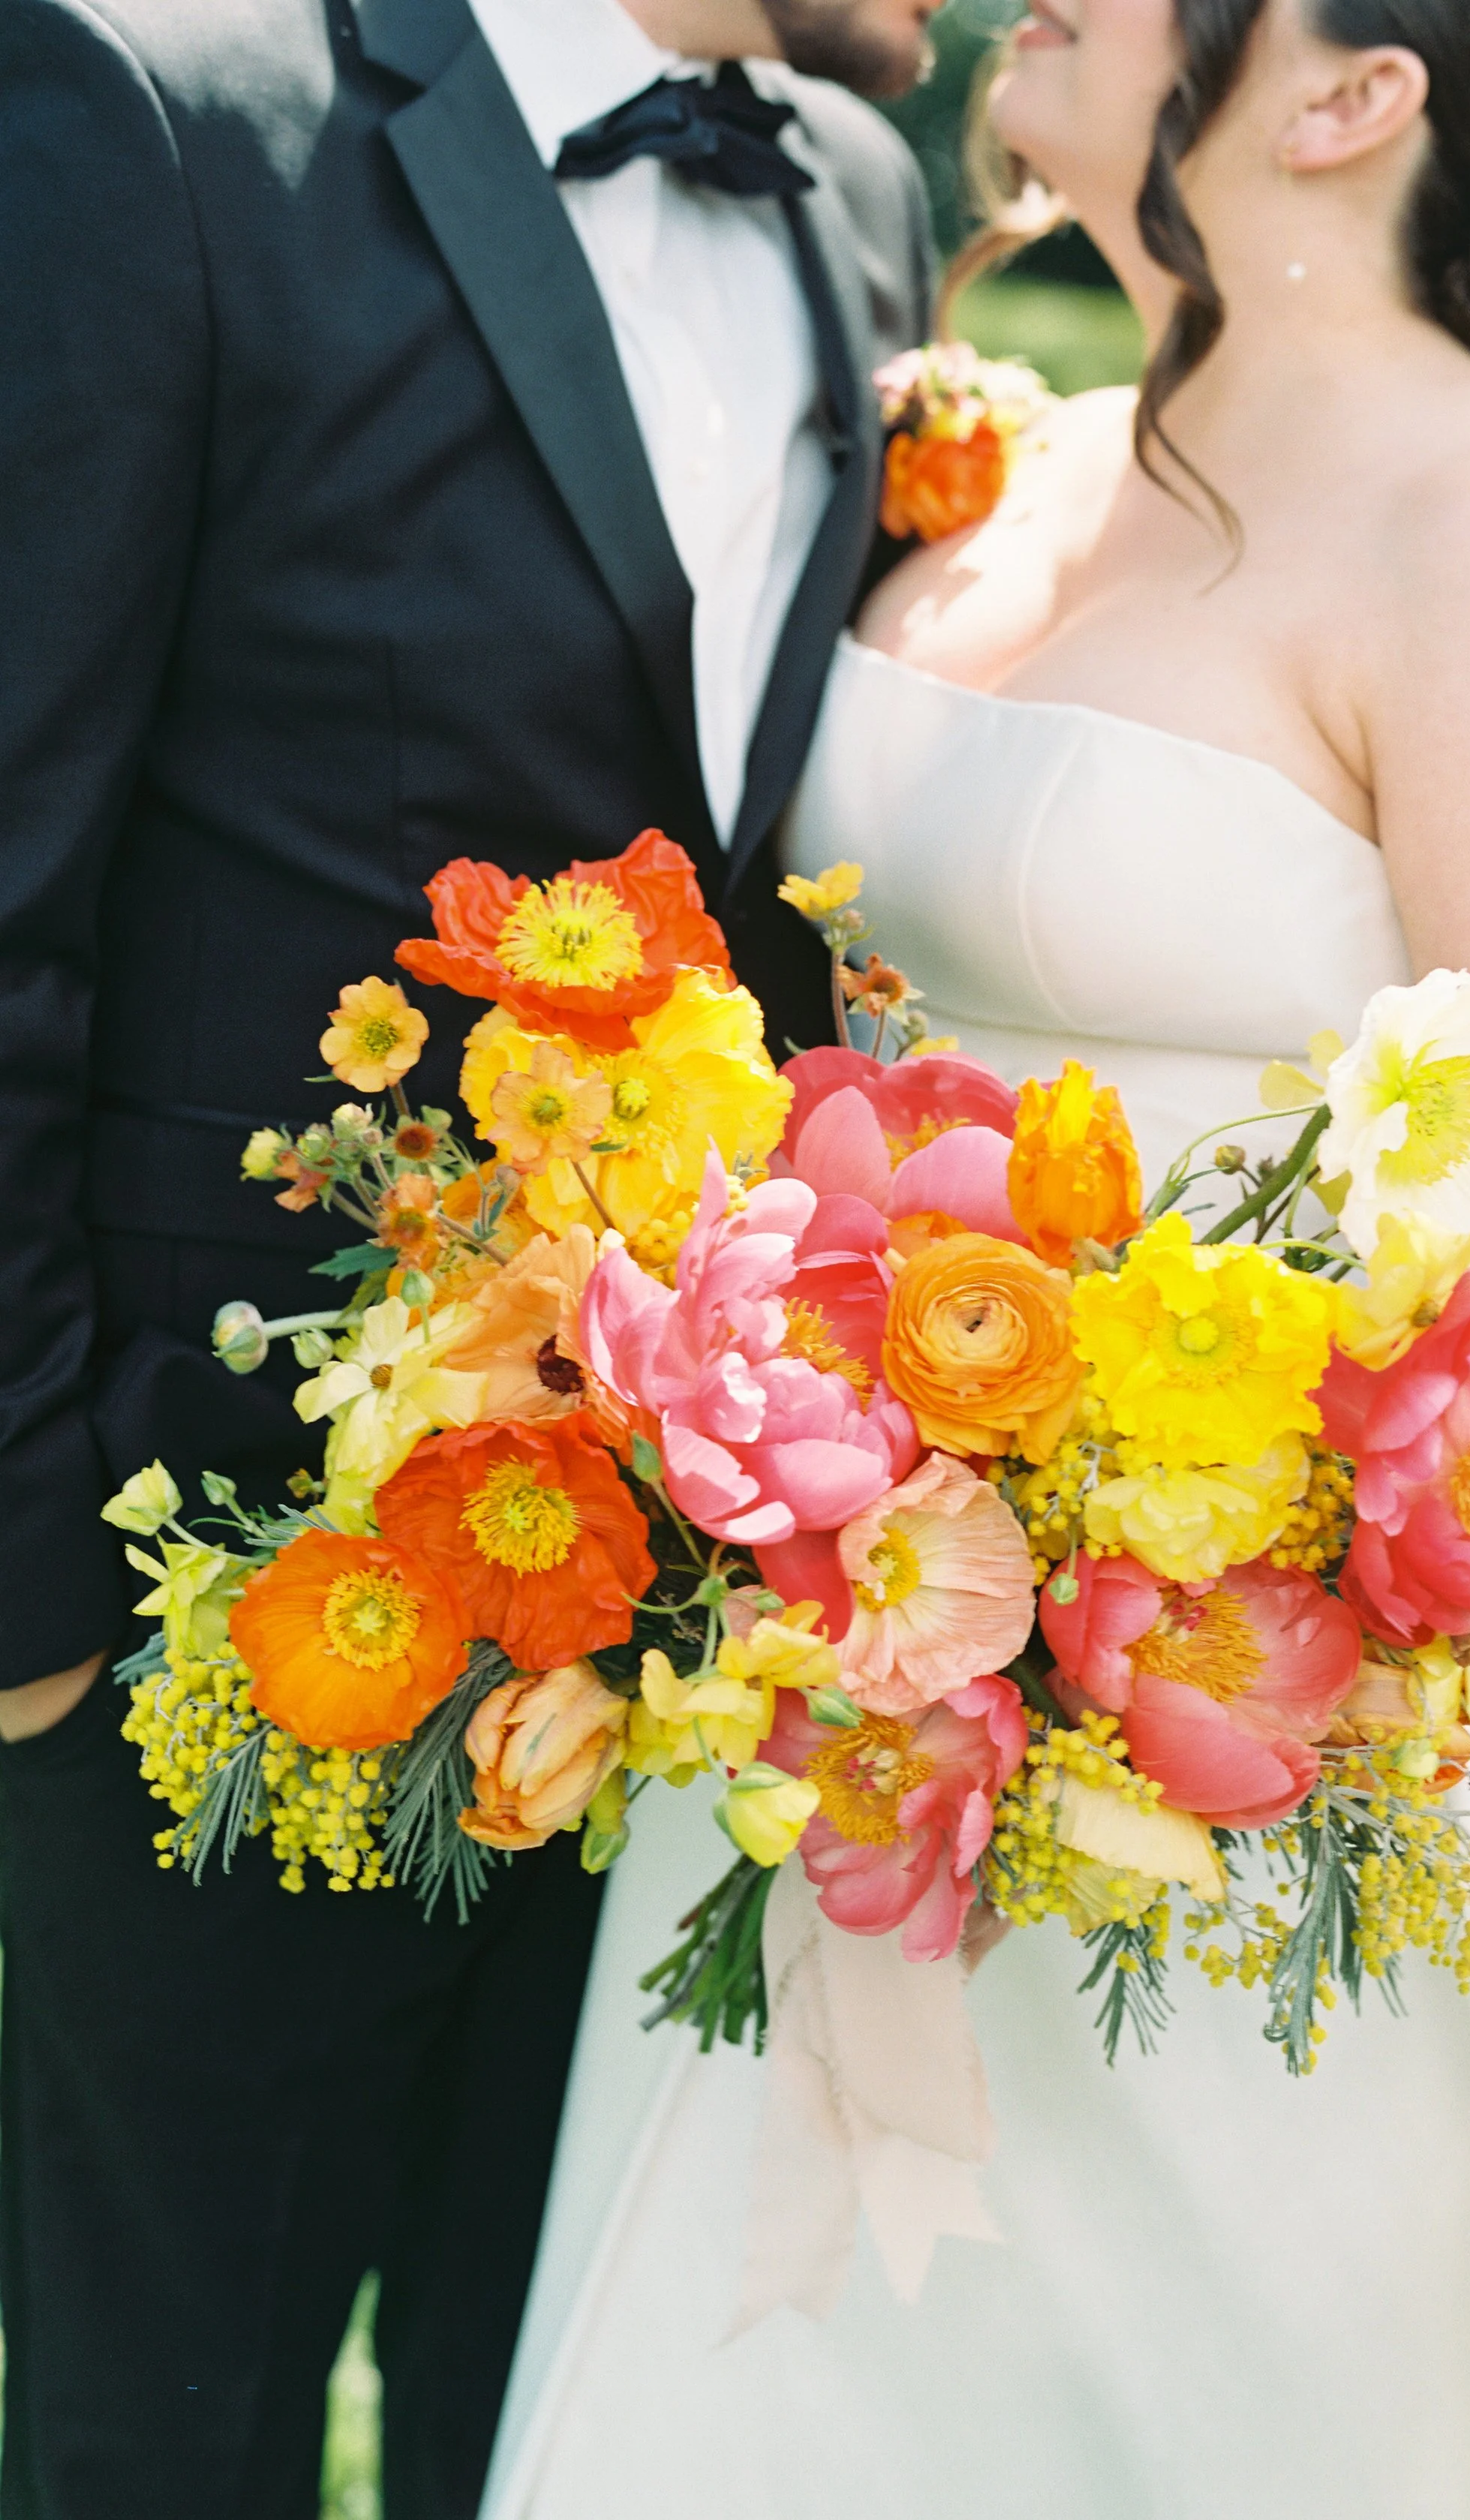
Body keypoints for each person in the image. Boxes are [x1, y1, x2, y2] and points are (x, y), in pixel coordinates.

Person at [486, 2, 1470, 2515]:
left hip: (1260, 1729)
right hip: (855, 1664)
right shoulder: (1027, 463)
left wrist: (1187, 1574)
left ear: (1352, 95)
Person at [0, 0, 932, 2507]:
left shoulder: (857, 195)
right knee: (169, 2435)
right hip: (225, 1601)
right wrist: (31, 1603)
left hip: (709, 1646)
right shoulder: (154, 115)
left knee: (565, 2432)